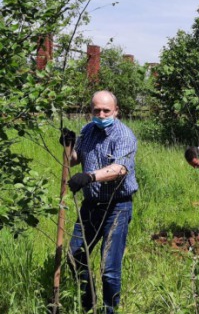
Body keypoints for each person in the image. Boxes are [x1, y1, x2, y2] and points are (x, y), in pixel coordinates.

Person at [60, 90, 138, 314]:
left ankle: (108, 310)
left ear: (116, 111)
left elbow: (119, 169)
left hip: (117, 207)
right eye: (97, 110)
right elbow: (75, 160)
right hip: (91, 206)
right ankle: (88, 303)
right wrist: (69, 145)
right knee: (75, 257)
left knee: (109, 268)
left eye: (106, 110)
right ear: (91, 111)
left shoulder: (124, 136)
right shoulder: (88, 130)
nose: (101, 114)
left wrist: (90, 176)